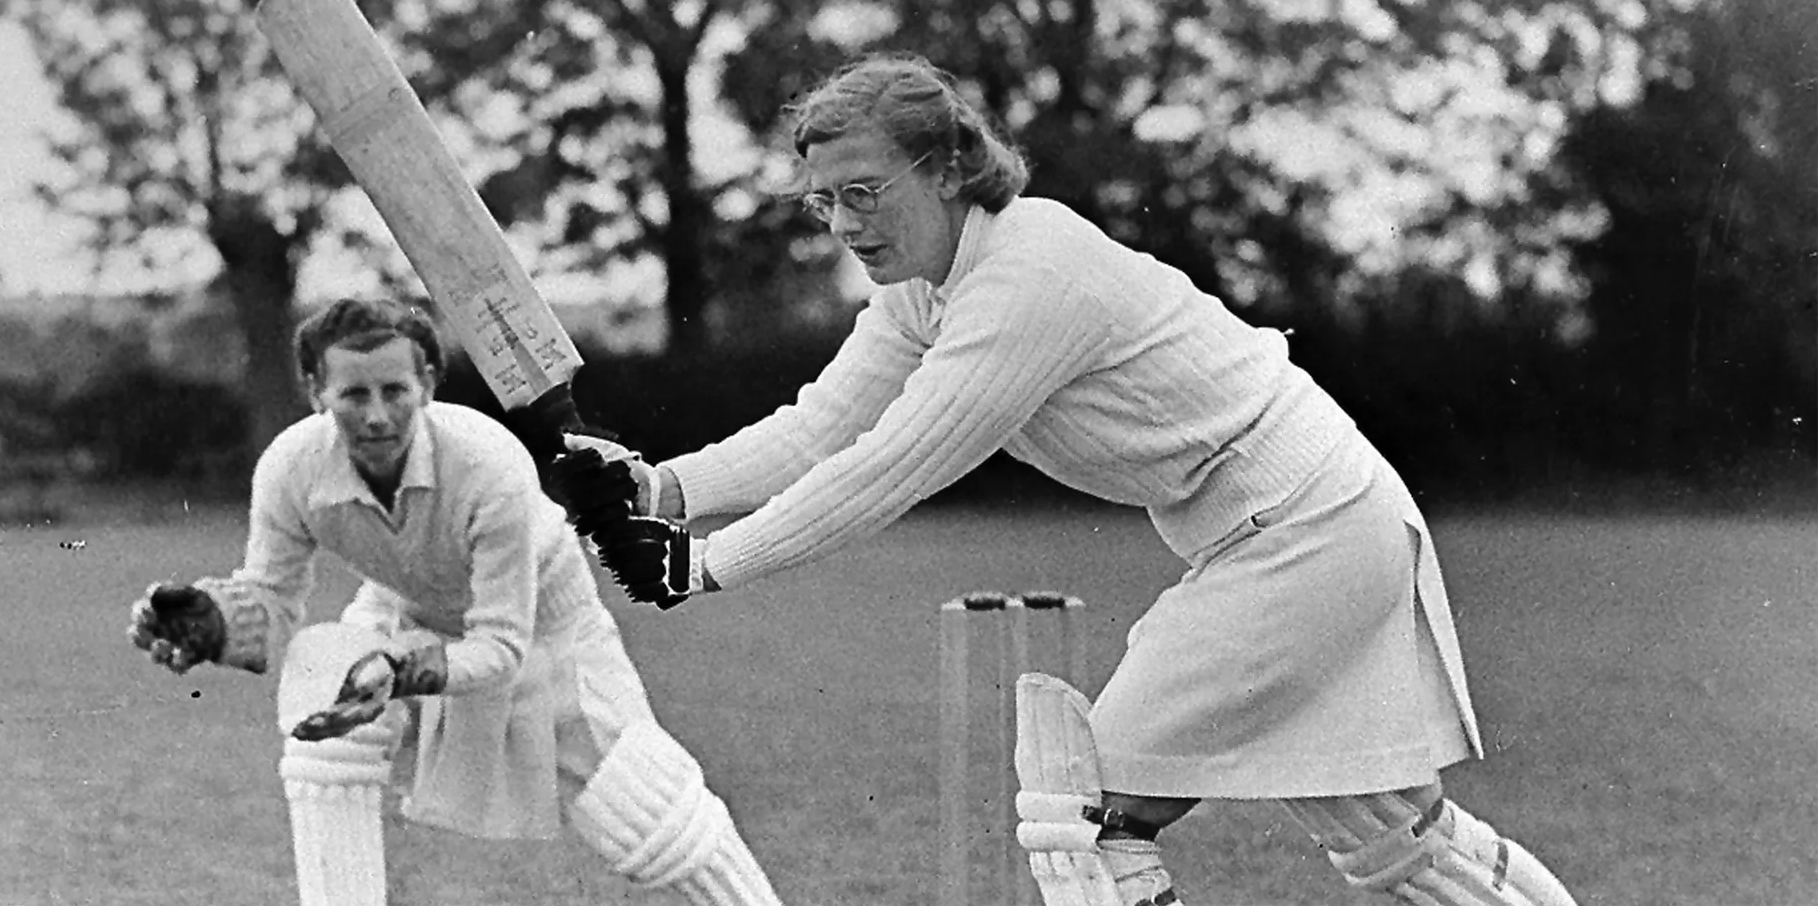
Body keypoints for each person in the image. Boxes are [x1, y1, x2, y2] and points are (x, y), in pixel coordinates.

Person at [549, 53, 1582, 906]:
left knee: (1082, 813)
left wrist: (703, 565)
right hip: (1289, 530)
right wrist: (662, 493)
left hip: (1308, 527)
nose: (848, 225)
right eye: (826, 202)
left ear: (950, 168)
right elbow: (822, 427)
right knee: (1393, 837)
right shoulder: (923, 291)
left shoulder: (1030, 271)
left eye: (866, 193)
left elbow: (892, 465)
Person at [126, 297, 787, 906]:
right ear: (315, 390)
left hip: (543, 625)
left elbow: (501, 647)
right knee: (325, 723)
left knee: (649, 814)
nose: (377, 416)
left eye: (394, 391)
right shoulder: (291, 468)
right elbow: (272, 603)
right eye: (353, 394)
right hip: (402, 611)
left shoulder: (487, 464)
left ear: (428, 383)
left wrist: (401, 672)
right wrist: (215, 623)